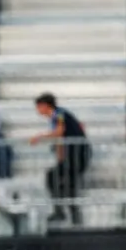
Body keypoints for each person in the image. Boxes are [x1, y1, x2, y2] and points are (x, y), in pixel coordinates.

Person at [30, 93, 90, 225]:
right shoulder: (56, 117)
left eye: (39, 107)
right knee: (58, 179)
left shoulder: (59, 114)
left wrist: (39, 137)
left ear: (45, 106)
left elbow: (59, 132)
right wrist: (60, 156)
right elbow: (60, 139)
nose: (38, 110)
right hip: (71, 156)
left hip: (78, 155)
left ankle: (65, 213)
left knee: (61, 181)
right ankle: (66, 213)